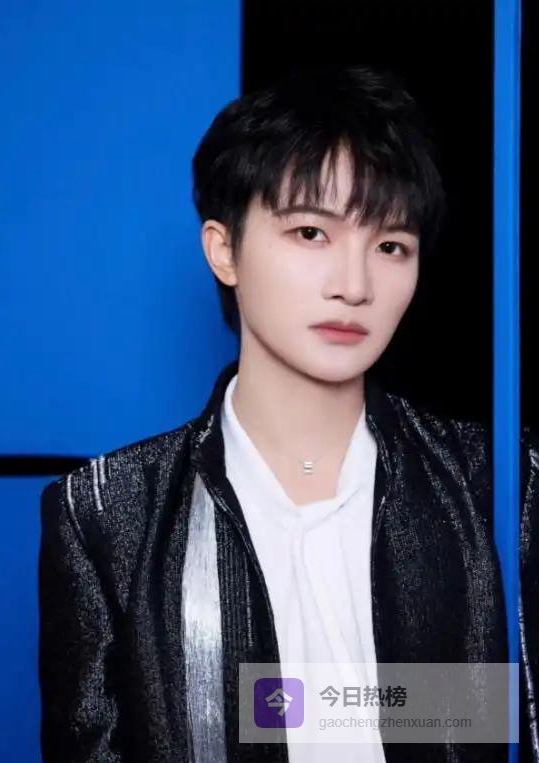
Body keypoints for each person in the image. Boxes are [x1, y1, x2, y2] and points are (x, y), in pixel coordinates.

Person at [38, 65, 539, 763]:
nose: (354, 285)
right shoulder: (106, 511)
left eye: (390, 246)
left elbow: (505, 722)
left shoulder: (495, 481)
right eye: (310, 233)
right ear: (224, 250)